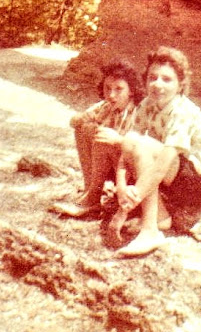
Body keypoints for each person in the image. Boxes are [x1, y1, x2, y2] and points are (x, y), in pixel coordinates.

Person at [107, 46, 201, 257]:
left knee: (144, 145)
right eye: (153, 77)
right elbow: (128, 149)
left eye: (167, 79)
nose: (157, 84)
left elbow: (160, 167)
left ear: (181, 85)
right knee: (132, 140)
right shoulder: (146, 105)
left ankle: (151, 231)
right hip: (172, 173)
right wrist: (122, 186)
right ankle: (161, 216)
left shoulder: (183, 111)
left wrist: (125, 208)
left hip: (198, 182)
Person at [52, 58, 143, 217]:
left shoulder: (139, 111)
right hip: (115, 167)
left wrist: (111, 136)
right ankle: (90, 190)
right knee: (85, 128)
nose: (112, 94)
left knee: (104, 136)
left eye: (118, 89)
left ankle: (93, 197)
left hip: (134, 174)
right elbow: (75, 121)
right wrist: (90, 120)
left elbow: (139, 150)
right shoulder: (107, 105)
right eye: (108, 88)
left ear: (132, 90)